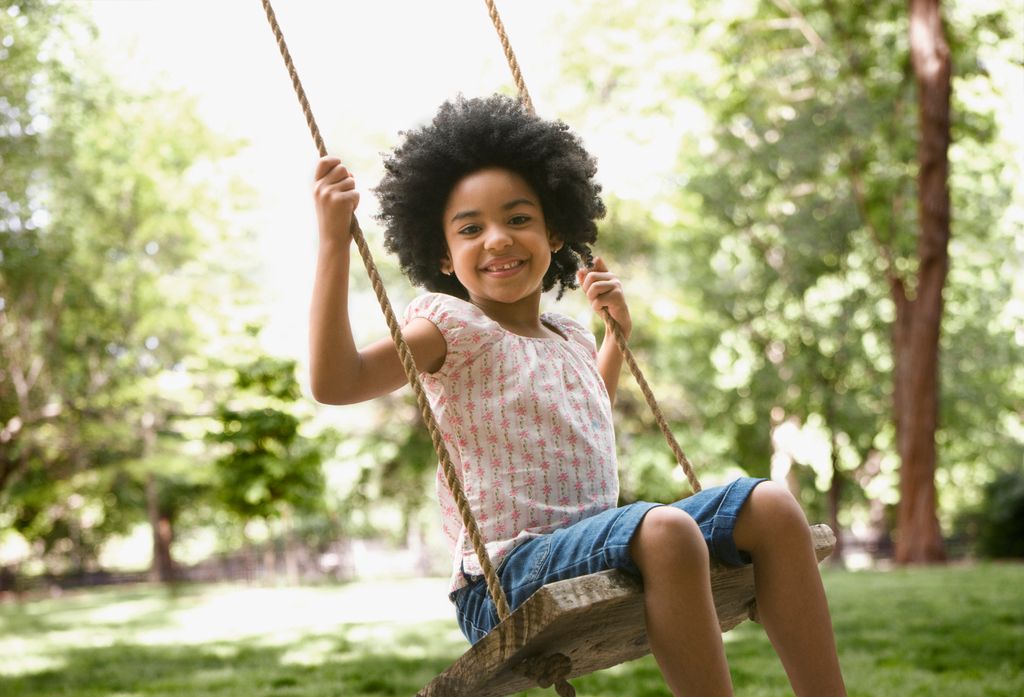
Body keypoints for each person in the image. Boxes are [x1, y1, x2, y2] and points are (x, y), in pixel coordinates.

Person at [308, 94, 846, 697]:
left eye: (518, 218)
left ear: (554, 229)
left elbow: (578, 419)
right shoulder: (449, 331)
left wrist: (616, 338)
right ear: (442, 255)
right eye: (470, 228)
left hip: (592, 539)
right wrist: (332, 242)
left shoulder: (568, 331)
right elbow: (337, 383)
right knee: (666, 530)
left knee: (770, 504)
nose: (497, 239)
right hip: (508, 577)